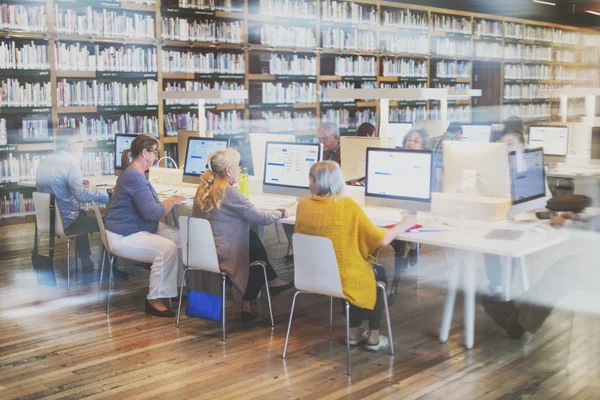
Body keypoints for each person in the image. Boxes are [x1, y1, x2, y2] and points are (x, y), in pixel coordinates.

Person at [294, 161, 415, 351]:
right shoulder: (346, 206)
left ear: (318, 182)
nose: (308, 183)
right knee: (375, 274)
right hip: (340, 276)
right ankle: (373, 337)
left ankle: (354, 332)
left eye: (310, 179)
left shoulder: (303, 205)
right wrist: (405, 223)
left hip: (312, 275)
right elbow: (381, 240)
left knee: (346, 264)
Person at [192, 148, 296, 322]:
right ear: (228, 170)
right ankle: (264, 288)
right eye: (238, 166)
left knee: (251, 238)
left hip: (204, 252)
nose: (240, 170)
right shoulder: (228, 192)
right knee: (258, 263)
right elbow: (263, 218)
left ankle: (269, 285)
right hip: (222, 256)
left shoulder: (204, 187)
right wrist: (287, 210)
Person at [104, 134, 187, 317]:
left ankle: (176, 288)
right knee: (167, 248)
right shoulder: (135, 177)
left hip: (138, 227)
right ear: (144, 153)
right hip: (123, 235)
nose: (157, 157)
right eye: (155, 152)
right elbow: (153, 213)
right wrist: (172, 200)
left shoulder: (134, 173)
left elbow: (150, 208)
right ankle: (155, 300)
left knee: (183, 238)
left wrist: (164, 202)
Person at [36, 127, 112, 275]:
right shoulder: (71, 164)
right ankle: (108, 268)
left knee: (80, 213)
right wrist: (107, 194)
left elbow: (53, 186)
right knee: (109, 221)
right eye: (80, 141)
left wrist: (74, 183)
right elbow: (81, 196)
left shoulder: (45, 161)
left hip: (47, 222)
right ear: (71, 145)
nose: (83, 145)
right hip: (67, 223)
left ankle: (86, 259)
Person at [389, 128, 430, 304]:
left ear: (423, 146)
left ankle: (394, 285)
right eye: (409, 140)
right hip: (397, 207)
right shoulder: (395, 163)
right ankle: (412, 247)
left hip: (418, 210)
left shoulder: (427, 165)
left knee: (402, 235)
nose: (411, 143)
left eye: (416, 140)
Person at [428, 122, 463, 192]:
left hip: (430, 172)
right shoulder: (458, 142)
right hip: (445, 175)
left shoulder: (432, 139)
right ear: (458, 132)